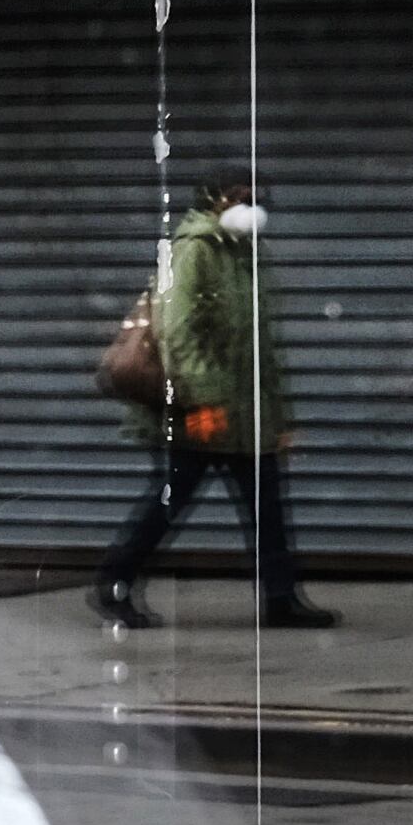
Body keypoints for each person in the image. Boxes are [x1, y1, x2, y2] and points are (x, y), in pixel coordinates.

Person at [91, 179, 333, 630]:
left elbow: (262, 346)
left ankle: (282, 600)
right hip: (199, 412)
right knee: (170, 501)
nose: (255, 208)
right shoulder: (193, 251)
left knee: (267, 507)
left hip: (245, 412)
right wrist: (206, 401)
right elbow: (178, 332)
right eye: (245, 199)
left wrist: (278, 419)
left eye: (259, 200)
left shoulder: (246, 253)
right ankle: (114, 585)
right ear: (217, 201)